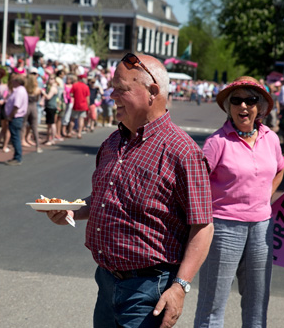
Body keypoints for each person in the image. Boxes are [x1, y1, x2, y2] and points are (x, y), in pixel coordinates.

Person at [44, 54, 214, 327]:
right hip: (107, 280)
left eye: (121, 89)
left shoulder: (183, 152)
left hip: (149, 289)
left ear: (153, 92)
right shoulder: (113, 142)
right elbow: (106, 200)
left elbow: (203, 226)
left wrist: (180, 287)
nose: (112, 95)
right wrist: (71, 210)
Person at [194, 76, 284, 327]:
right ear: (229, 107)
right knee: (212, 305)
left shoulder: (271, 138)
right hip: (223, 227)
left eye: (250, 100)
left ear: (260, 107)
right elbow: (197, 183)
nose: (243, 106)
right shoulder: (217, 141)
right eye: (236, 101)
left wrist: (265, 196)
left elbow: (280, 168)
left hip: (262, 228)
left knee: (257, 305)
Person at [4, 73, 28, 165]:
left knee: (15, 137)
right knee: (15, 137)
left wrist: (10, 116)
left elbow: (16, 106)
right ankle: (16, 156)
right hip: (17, 117)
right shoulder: (19, 90)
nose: (11, 82)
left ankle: (18, 158)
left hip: (16, 117)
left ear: (17, 82)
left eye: (13, 80)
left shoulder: (19, 91)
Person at [23, 72, 42, 153]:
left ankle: (21, 142)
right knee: (34, 127)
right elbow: (37, 99)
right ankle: (38, 146)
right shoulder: (37, 90)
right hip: (33, 107)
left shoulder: (25, 89)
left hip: (26, 107)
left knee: (23, 126)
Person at [69, 74, 90, 139]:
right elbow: (87, 98)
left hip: (76, 104)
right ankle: (79, 133)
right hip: (83, 105)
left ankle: (69, 132)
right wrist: (88, 106)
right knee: (81, 119)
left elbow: (71, 94)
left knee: (72, 119)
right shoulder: (86, 87)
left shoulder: (74, 85)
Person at [41, 75, 58, 146]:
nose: (51, 80)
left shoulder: (53, 88)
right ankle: (48, 139)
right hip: (49, 107)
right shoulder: (50, 87)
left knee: (52, 123)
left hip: (51, 107)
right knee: (49, 124)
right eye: (50, 79)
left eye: (52, 79)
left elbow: (48, 97)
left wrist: (43, 92)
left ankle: (52, 139)